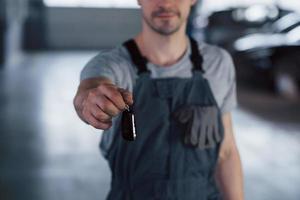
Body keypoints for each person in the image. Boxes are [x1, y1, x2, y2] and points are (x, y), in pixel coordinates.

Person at [73, 0, 244, 199]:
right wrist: (90, 101)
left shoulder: (218, 63)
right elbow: (90, 89)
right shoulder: (113, 65)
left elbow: (227, 152)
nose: (166, 3)